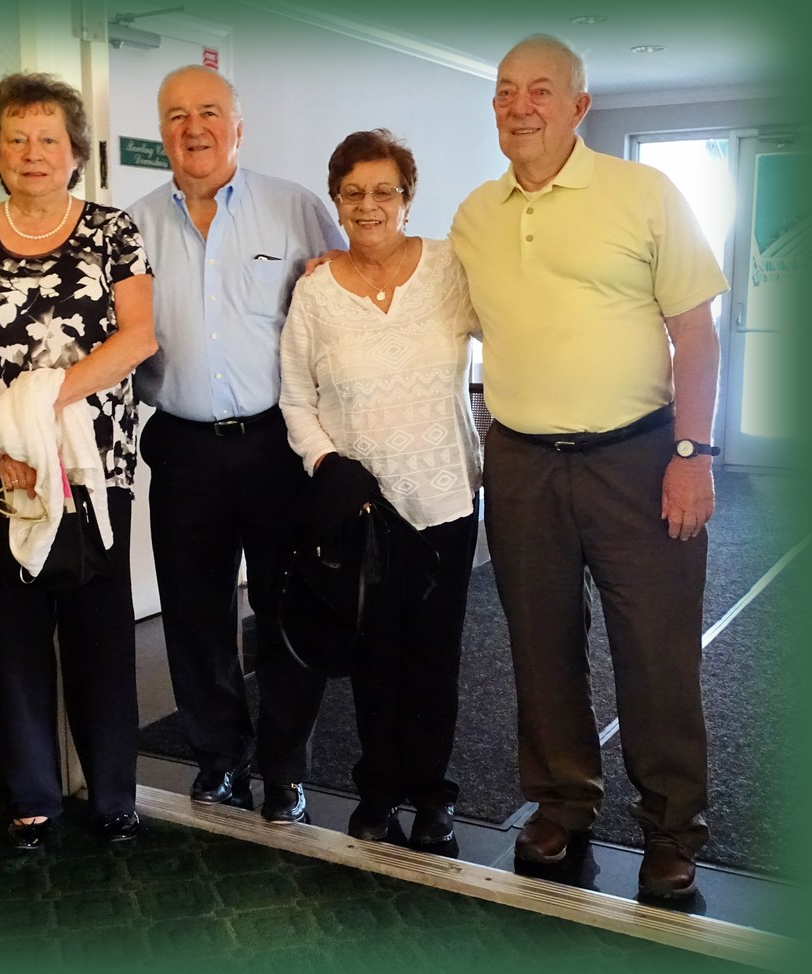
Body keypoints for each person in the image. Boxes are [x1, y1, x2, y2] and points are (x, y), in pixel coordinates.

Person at [449, 35, 728, 898]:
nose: (519, 105)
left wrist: (692, 454)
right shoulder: (475, 214)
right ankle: (562, 803)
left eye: (540, 90)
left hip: (639, 457)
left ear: (579, 106)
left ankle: (672, 828)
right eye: (505, 91)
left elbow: (696, 334)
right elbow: (435, 305)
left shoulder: (643, 193)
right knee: (539, 645)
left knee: (657, 652)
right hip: (522, 462)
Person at [0, 72, 157, 850]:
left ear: (75, 151)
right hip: (1, 470)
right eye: (16, 138)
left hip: (92, 468)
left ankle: (113, 794)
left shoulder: (113, 229)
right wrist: (9, 436)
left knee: (101, 633)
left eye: (48, 138)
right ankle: (30, 794)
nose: (32, 152)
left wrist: (43, 415)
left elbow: (137, 338)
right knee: (16, 632)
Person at [127, 65, 344, 823]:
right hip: (182, 447)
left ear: (238, 127)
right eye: (177, 115)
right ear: (162, 132)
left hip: (277, 445)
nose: (194, 128)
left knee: (286, 610)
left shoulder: (295, 208)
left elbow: (340, 306)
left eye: (210, 112)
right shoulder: (131, 227)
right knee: (194, 616)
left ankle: (285, 771)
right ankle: (219, 760)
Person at [279, 129, 482, 851]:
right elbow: (295, 399)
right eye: (353, 192)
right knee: (373, 658)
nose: (369, 205)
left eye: (384, 191)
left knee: (434, 657)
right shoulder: (315, 292)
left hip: (445, 501)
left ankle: (432, 795)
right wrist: (326, 462)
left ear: (408, 198)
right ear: (337, 201)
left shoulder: (451, 268)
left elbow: (515, 330)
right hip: (363, 513)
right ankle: (378, 792)